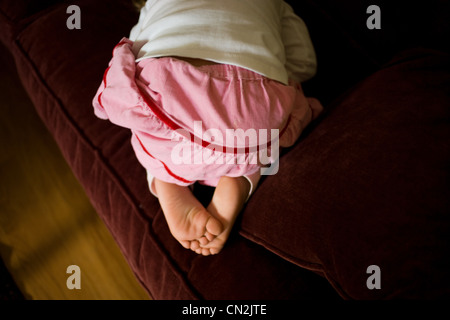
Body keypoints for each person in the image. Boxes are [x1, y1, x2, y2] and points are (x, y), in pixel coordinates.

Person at [93, 0, 323, 256]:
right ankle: (241, 178)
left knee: (144, 117)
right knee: (279, 123)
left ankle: (165, 177)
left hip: (169, 95)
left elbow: (136, 43)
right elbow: (304, 62)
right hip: (250, 110)